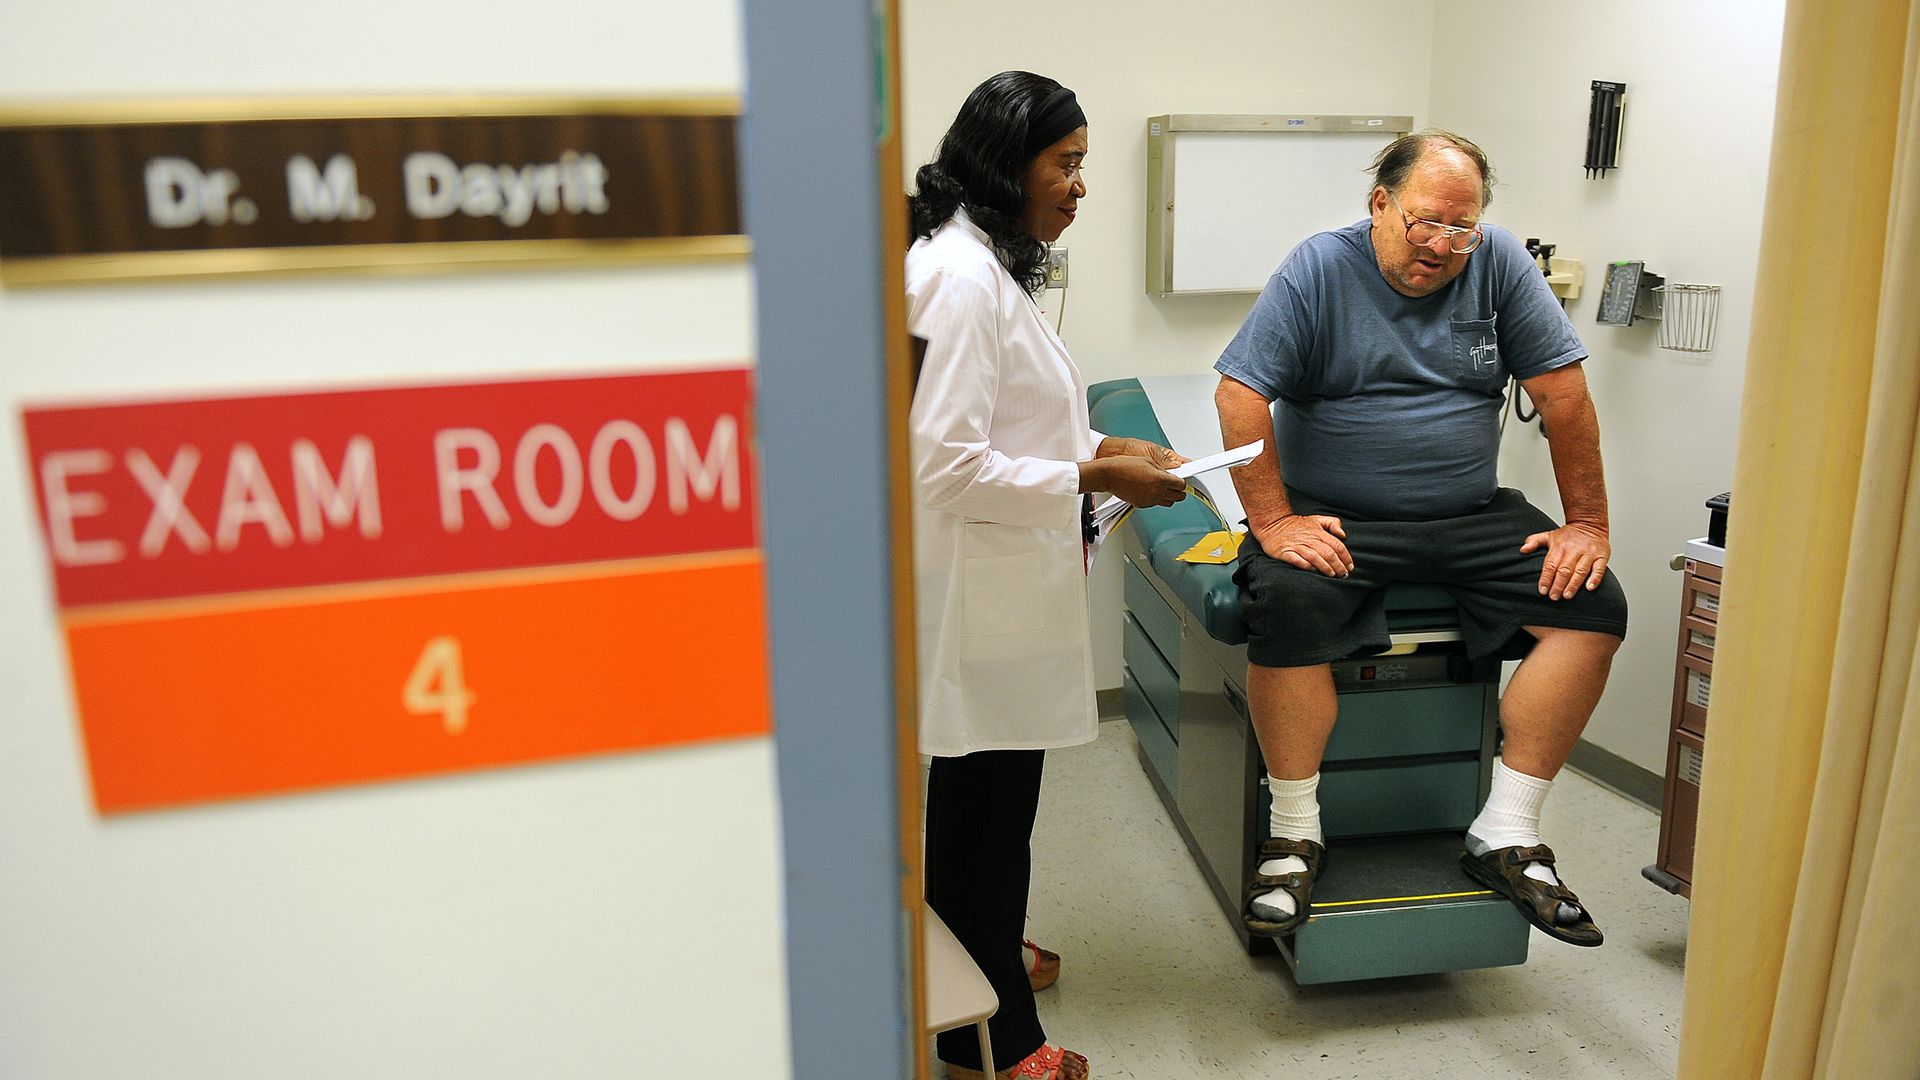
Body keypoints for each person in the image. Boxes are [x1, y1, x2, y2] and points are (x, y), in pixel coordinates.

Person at [1212, 130, 1628, 948]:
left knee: (1593, 605)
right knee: (1288, 603)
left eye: (1461, 229)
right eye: (1425, 224)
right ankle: (1295, 836)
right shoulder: (1320, 268)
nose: (1442, 247)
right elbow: (1239, 394)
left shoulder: (1498, 263)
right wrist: (1273, 521)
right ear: (1380, 204)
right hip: (1338, 513)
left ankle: (1506, 831)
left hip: (1469, 512)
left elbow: (1565, 397)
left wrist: (1588, 526)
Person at [908, 71, 1186, 1080]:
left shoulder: (982, 264)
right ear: (1005, 161)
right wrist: (1093, 473)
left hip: (1004, 585)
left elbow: (1012, 422)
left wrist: (1108, 444)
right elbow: (940, 461)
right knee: (986, 815)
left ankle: (978, 956)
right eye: (1064, 164)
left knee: (993, 806)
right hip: (976, 593)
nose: (1079, 187)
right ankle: (997, 1042)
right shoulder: (958, 278)